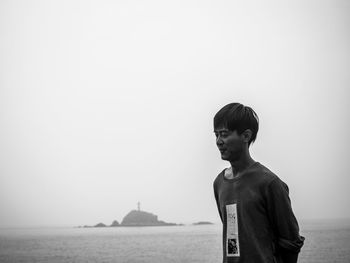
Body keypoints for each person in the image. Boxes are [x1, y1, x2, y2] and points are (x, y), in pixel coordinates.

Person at [213, 103, 304, 263]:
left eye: (224, 134)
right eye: (216, 135)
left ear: (246, 136)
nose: (219, 141)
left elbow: (291, 242)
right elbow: (234, 237)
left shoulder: (269, 183)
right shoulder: (219, 183)